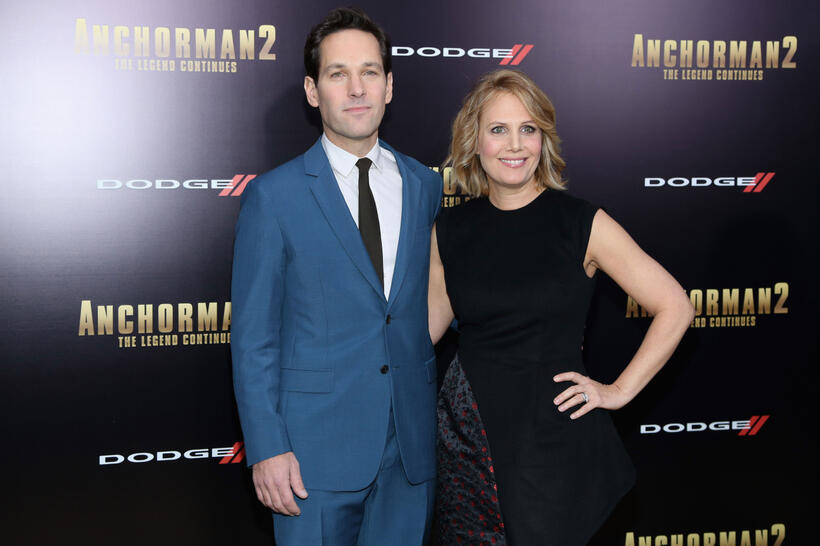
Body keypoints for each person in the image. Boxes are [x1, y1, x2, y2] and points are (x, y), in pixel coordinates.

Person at [428, 69, 695, 545]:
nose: (515, 144)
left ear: (543, 140)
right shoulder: (449, 229)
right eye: (498, 129)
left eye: (527, 129)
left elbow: (675, 305)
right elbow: (422, 332)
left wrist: (618, 390)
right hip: (469, 440)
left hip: (552, 444)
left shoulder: (581, 223)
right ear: (474, 141)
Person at [231, 8, 441, 545]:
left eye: (370, 71)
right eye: (337, 73)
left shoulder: (424, 185)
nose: (356, 88)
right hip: (310, 458)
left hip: (409, 450)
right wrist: (267, 447)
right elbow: (254, 338)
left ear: (389, 85)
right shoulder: (273, 196)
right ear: (312, 90)